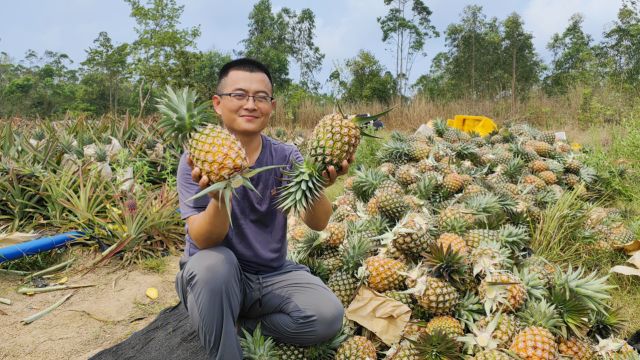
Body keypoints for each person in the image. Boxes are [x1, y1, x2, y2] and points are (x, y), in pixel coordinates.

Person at [174, 58, 347, 359]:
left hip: (270, 275)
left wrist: (317, 181)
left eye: (261, 97)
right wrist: (219, 196)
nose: (250, 104)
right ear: (218, 103)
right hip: (216, 277)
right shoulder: (195, 158)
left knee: (327, 316)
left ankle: (237, 325)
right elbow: (203, 240)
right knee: (214, 265)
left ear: (272, 106)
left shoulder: (286, 155)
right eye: (239, 95)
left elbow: (317, 223)